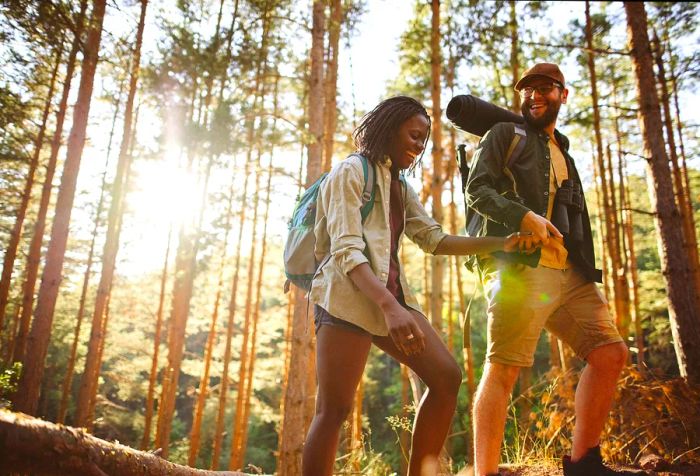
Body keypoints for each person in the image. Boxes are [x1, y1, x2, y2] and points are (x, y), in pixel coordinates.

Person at [303, 96, 527, 476]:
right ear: (389, 129)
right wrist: (391, 308)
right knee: (335, 409)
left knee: (445, 377)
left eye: (424, 139)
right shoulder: (350, 171)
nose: (419, 145)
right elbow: (346, 250)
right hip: (345, 300)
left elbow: (435, 240)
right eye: (413, 135)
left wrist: (502, 243)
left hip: (389, 301)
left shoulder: (398, 185)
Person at [465, 63, 640, 476]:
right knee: (504, 366)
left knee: (610, 354)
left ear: (563, 94)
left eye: (544, 88)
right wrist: (522, 216)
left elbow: (575, 218)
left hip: (567, 271)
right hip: (519, 265)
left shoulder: (563, 151)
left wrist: (585, 264)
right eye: (526, 90)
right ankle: (484, 473)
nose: (533, 96)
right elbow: (477, 190)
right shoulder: (503, 135)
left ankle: (584, 463)